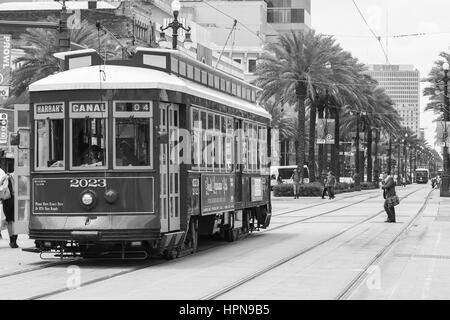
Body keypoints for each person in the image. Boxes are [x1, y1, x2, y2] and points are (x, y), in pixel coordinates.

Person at [0, 169, 18, 248]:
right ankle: (14, 240)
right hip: (17, 200)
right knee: (15, 221)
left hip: (7, 200)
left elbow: (1, 187)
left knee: (9, 221)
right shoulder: (20, 176)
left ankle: (12, 241)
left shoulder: (5, 176)